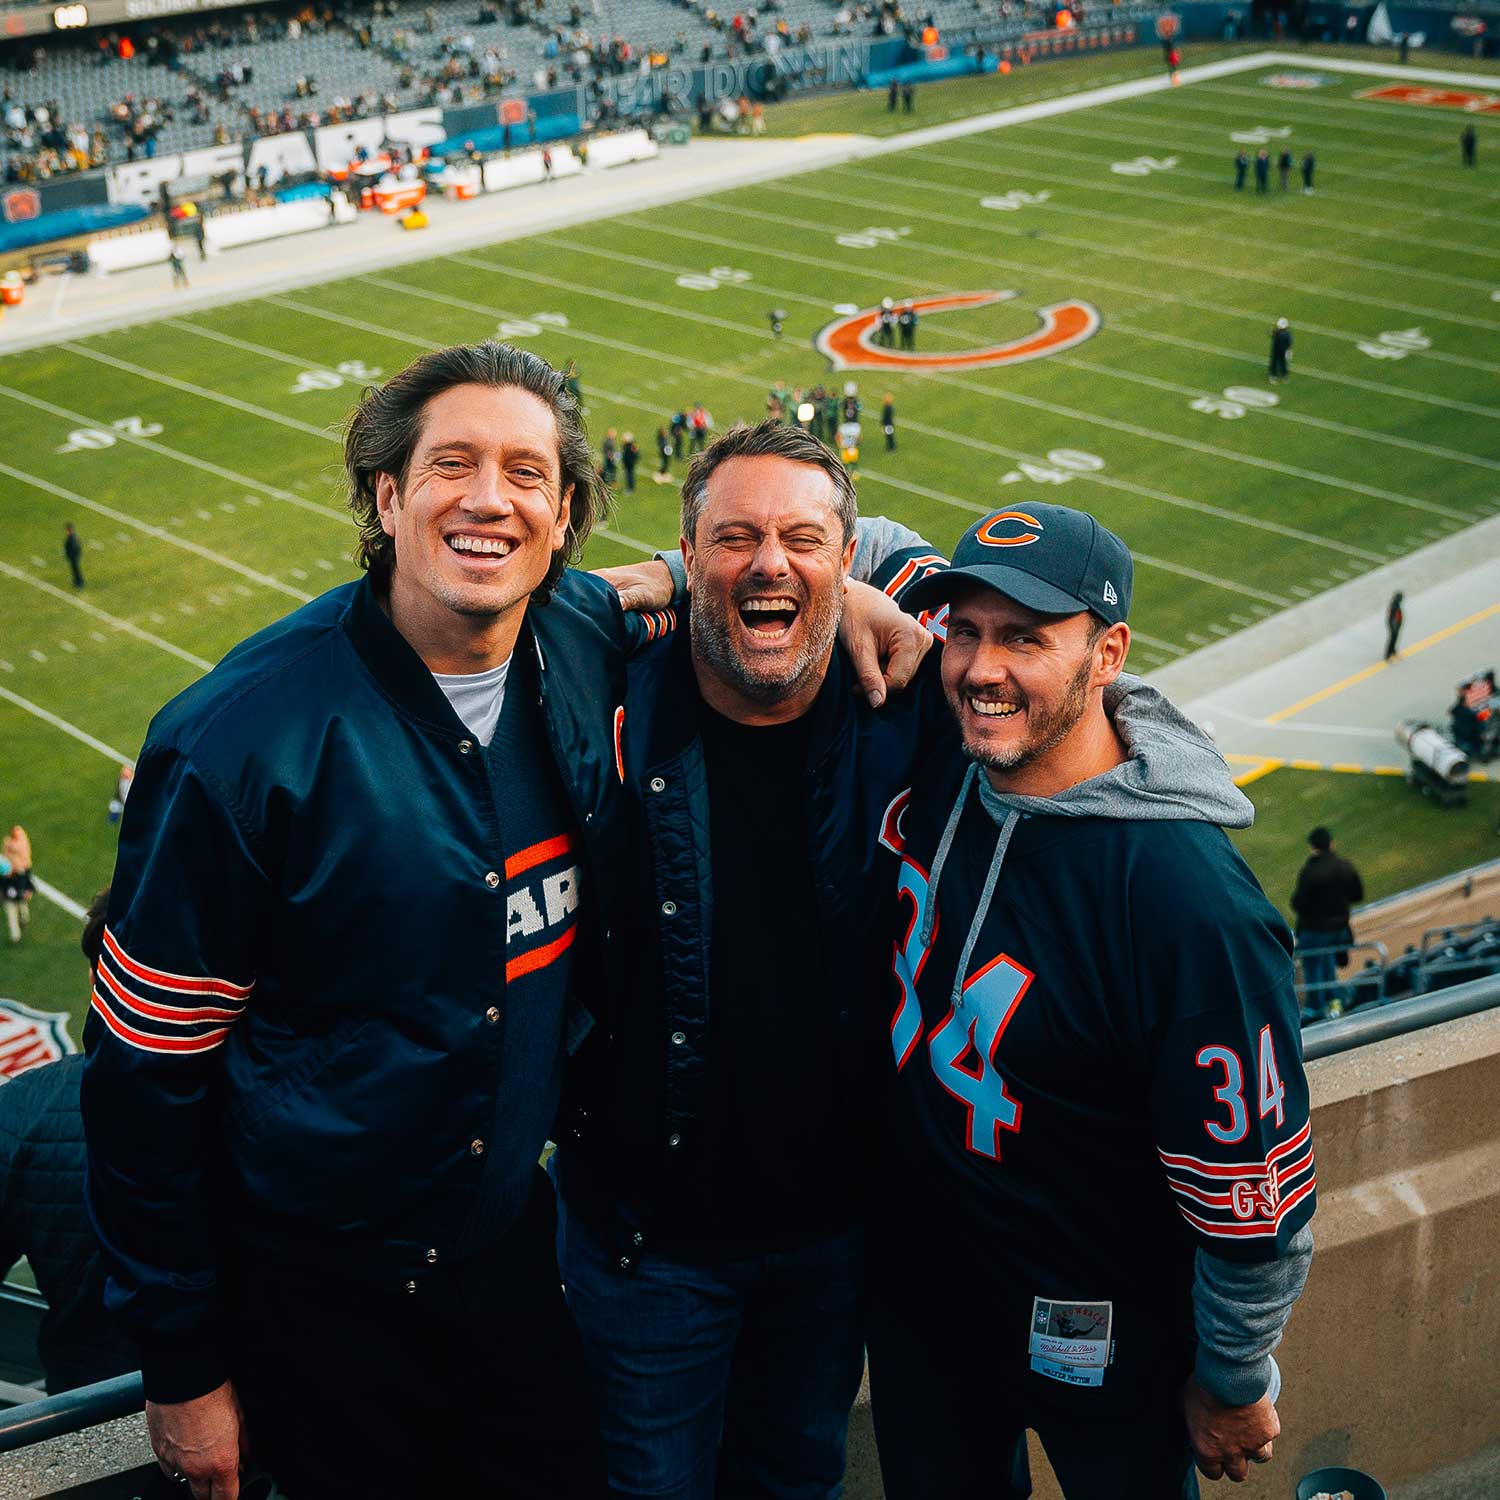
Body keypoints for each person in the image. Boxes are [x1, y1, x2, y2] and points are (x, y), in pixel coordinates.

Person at [82, 341, 648, 1500]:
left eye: (528, 474)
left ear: (567, 515)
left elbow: (705, 587)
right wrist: (181, 1366)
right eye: (453, 463)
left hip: (507, 1253)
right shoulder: (240, 739)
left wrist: (849, 597)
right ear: (387, 498)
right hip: (320, 1300)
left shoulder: (583, 640)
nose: (491, 498)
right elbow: (143, 1081)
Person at [868, 503, 1316, 1500]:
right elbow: (855, 539)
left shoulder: (1189, 908)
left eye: (1027, 638)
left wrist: (1236, 1377)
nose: (983, 667)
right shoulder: (961, 738)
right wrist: (678, 577)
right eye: (966, 630)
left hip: (1095, 1322)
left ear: (1107, 652)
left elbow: (1253, 1201)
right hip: (921, 1292)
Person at [555, 421, 946, 1500]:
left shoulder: (901, 704)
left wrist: (860, 588)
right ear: (689, 554)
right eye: (734, 538)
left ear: (846, 556)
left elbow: (1078, 683)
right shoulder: (609, 704)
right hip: (648, 1250)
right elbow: (491, 624)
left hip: (831, 1245)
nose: (770, 560)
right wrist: (650, 582)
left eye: (802, 540)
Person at [0, 886, 138, 1392]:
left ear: (94, 978)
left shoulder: (25, 1108)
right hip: (263, 1421)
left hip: (84, 1408)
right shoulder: (285, 1101)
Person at [1291, 827, 1364, 1018]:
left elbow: (1297, 903)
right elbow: (1357, 894)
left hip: (1314, 931)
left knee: (1313, 967)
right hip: (1339, 929)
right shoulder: (1344, 866)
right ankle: (1334, 1004)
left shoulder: (1310, 872)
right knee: (1328, 962)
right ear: (1331, 844)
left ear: (1312, 847)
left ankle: (1316, 1009)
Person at [2, 825, 33, 945]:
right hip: (14, 880)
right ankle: (16, 933)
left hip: (17, 879)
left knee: (18, 903)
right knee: (13, 908)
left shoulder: (15, 844)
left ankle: (23, 920)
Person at [1269, 316, 1292, 382]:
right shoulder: (1285, 333)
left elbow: (1289, 342)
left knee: (1281, 363)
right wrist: (1289, 350)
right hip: (1278, 350)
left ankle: (1278, 375)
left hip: (1280, 350)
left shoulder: (1278, 333)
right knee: (1277, 363)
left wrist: (1289, 350)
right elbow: (1289, 342)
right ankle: (1276, 375)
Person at [63, 522, 85, 588]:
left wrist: (70, 555)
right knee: (75, 569)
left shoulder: (72, 538)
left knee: (76, 570)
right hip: (74, 556)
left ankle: (79, 582)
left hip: (73, 556)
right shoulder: (73, 536)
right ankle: (77, 581)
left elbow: (74, 548)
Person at [1384, 590, 1403, 660]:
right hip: (1394, 625)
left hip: (1396, 625)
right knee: (1392, 640)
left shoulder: (1396, 604)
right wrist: (1393, 626)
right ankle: (1387, 655)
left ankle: (1393, 651)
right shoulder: (1394, 605)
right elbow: (1391, 618)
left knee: (1394, 639)